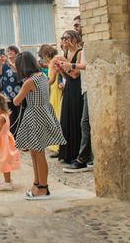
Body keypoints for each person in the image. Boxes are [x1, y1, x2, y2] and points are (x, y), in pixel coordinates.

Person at [13, 51, 66, 200]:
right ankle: (37, 184)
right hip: (43, 113)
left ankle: (43, 187)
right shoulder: (42, 76)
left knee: (38, 154)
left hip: (34, 116)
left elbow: (16, 101)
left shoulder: (29, 82)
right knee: (35, 153)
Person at [56, 30, 83, 165]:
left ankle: (76, 153)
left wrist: (65, 62)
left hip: (77, 87)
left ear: (74, 38)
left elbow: (75, 75)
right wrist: (61, 70)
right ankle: (66, 153)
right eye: (62, 38)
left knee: (75, 118)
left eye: (66, 38)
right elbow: (68, 76)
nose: (64, 40)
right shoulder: (66, 53)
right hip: (68, 88)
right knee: (66, 118)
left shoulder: (79, 52)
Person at [0, 45, 23, 137]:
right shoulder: (5, 64)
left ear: (16, 53)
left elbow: (18, 72)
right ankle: (12, 138)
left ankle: (21, 139)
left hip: (19, 94)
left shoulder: (20, 63)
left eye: (12, 51)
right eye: (8, 51)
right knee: (10, 117)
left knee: (20, 117)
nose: (9, 52)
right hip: (7, 95)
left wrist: (9, 62)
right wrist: (1, 64)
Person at [38, 45, 61, 156]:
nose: (43, 59)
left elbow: (51, 80)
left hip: (55, 89)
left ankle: (57, 146)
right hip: (58, 88)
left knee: (55, 116)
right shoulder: (58, 57)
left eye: (43, 56)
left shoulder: (53, 61)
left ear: (46, 54)